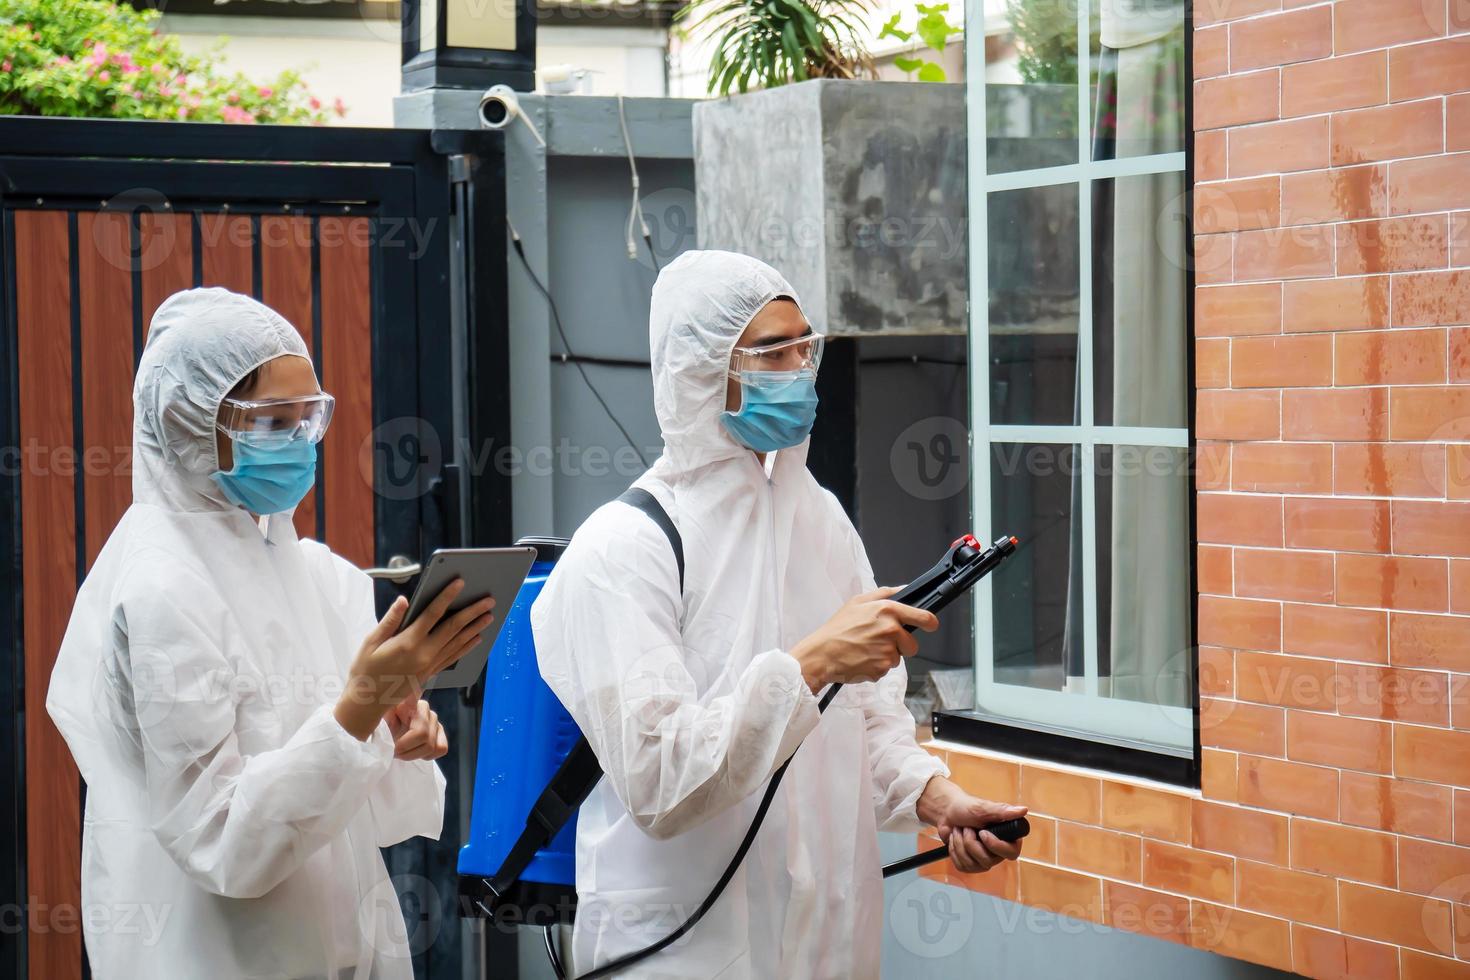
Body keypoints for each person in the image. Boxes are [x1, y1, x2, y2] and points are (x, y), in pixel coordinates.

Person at [531, 250, 1025, 978]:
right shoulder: (624, 549)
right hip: (682, 953)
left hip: (827, 949)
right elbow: (661, 780)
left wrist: (935, 798)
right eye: (771, 351)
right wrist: (814, 660)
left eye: (805, 346)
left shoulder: (817, 522)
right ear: (701, 370)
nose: (799, 368)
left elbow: (869, 725)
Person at [46, 287, 495, 979]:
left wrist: (395, 731)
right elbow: (222, 839)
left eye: (307, 419)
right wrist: (359, 708)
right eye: (270, 421)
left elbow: (340, 788)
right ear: (186, 422)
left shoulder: (304, 570)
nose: (296, 444)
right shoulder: (160, 587)